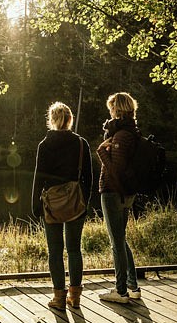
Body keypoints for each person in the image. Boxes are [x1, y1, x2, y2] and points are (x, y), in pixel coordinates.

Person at [32, 101, 93, 309]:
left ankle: (59, 298)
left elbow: (38, 178)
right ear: (69, 120)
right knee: (75, 249)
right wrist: (85, 200)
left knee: (55, 251)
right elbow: (88, 177)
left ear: (52, 120)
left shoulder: (45, 144)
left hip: (51, 203)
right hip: (76, 200)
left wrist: (35, 205)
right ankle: (75, 297)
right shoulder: (81, 143)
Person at [96, 92, 141, 303]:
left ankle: (120, 291)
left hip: (114, 192)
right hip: (124, 193)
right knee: (121, 240)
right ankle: (133, 286)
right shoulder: (129, 131)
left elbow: (115, 170)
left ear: (118, 110)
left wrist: (101, 152)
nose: (110, 112)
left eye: (112, 108)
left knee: (116, 243)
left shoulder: (122, 135)